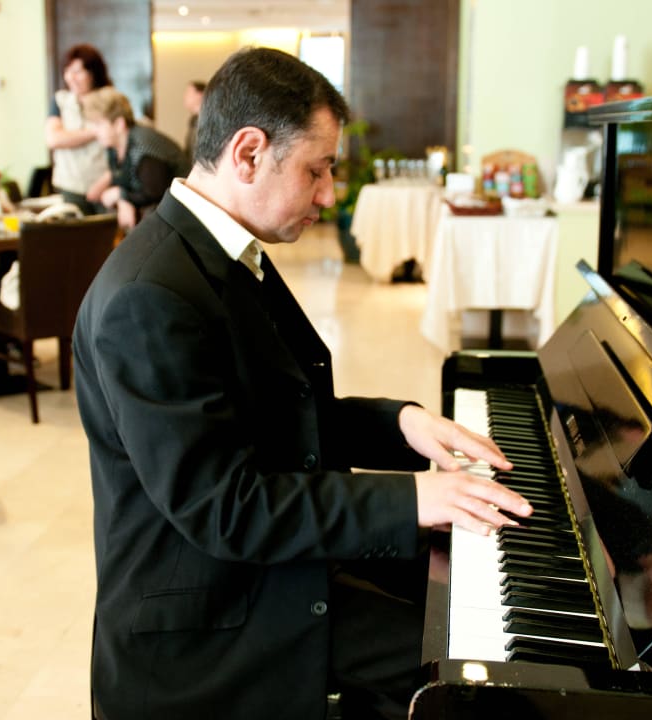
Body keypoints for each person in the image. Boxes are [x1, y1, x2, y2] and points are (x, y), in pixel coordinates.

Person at [73, 47, 533, 720]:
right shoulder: (150, 297)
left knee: (465, 589)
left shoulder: (225, 250)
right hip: (212, 617)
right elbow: (228, 509)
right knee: (488, 682)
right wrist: (414, 499)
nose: (328, 194)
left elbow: (281, 416)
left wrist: (403, 423)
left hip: (259, 567)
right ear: (249, 153)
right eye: (317, 170)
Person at [83, 86, 189, 230]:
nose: (94, 131)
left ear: (119, 124)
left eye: (99, 124)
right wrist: (123, 200)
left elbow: (156, 192)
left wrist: (121, 195)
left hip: (178, 216)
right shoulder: (114, 149)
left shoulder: (143, 146)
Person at [46, 43, 113, 215]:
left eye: (78, 72)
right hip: (70, 186)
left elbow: (121, 147)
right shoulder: (61, 100)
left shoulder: (110, 99)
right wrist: (95, 131)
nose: (71, 77)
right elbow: (54, 139)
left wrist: (104, 182)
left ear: (93, 73)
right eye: (68, 71)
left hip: (104, 185)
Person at [182, 79, 205, 165]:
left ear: (200, 95)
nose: (185, 97)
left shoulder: (206, 122)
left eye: (189, 93)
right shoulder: (193, 121)